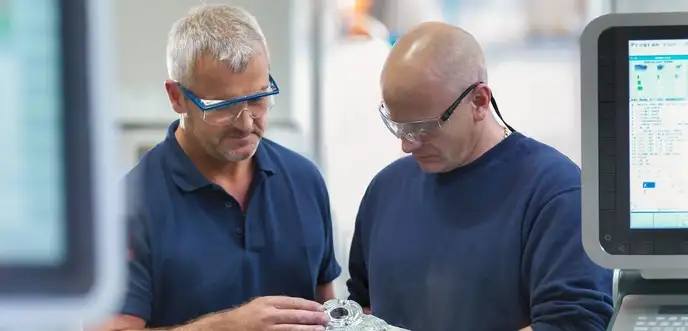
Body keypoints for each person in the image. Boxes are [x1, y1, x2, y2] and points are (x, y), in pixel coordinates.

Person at [346, 22, 614, 330]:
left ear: (479, 102)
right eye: (399, 126)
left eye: (424, 128)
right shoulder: (385, 191)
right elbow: (359, 310)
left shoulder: (555, 193)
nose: (408, 145)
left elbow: (572, 323)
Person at [102, 5, 340, 331]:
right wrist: (227, 327)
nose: (245, 124)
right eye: (222, 107)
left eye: (258, 98)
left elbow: (328, 312)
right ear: (176, 97)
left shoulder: (304, 181)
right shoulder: (131, 205)